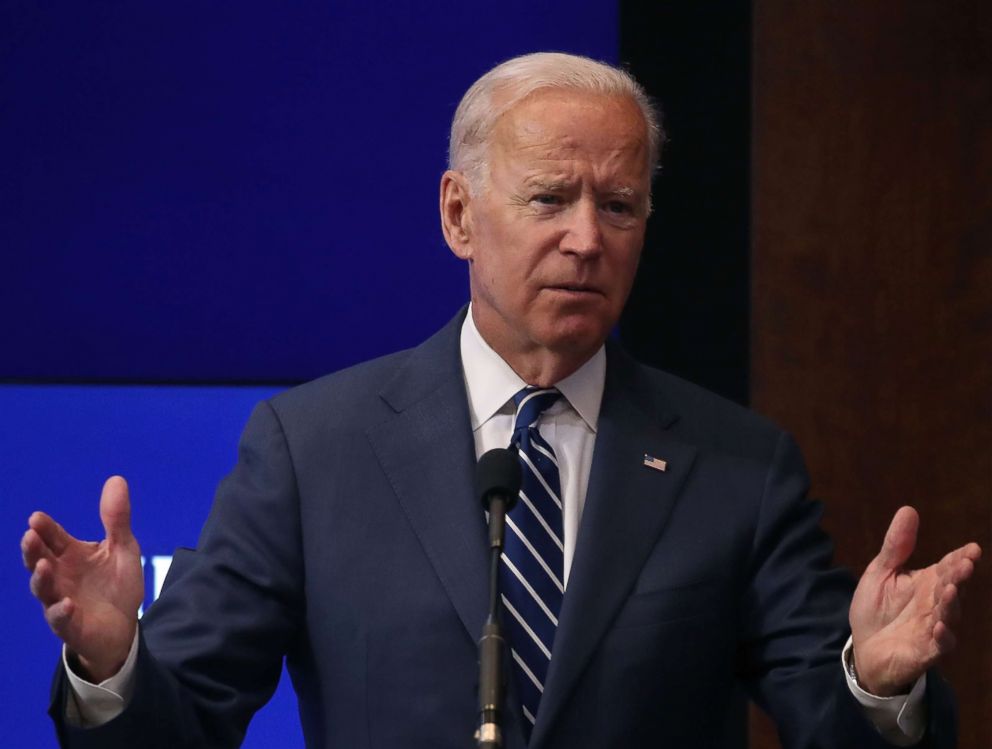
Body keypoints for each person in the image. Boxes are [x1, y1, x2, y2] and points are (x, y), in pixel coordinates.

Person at [22, 52, 981, 749]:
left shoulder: (738, 467)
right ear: (458, 215)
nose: (585, 238)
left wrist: (876, 685)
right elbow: (181, 724)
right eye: (549, 197)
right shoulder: (314, 449)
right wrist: (113, 668)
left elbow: (832, 721)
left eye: (619, 205)